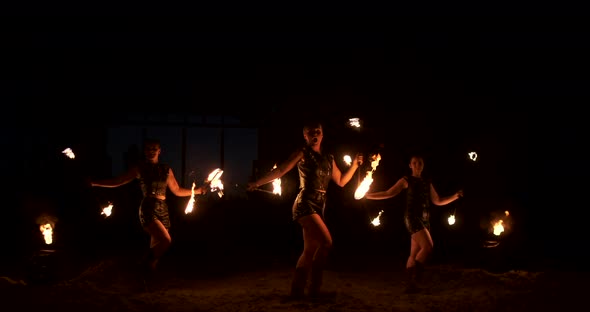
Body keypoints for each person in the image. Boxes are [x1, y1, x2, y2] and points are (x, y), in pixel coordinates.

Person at [247, 120, 363, 300]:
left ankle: (297, 291)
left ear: (323, 134)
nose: (315, 134)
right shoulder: (302, 153)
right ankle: (314, 290)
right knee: (327, 242)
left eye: (317, 131)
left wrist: (354, 165)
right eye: (310, 132)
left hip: (319, 205)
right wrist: (257, 182)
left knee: (309, 250)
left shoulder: (329, 158)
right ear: (305, 136)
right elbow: (281, 170)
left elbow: (340, 181)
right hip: (305, 203)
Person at [91, 138, 208, 273]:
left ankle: (147, 277)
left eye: (154, 149)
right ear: (144, 151)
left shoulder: (166, 169)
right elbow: (119, 181)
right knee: (166, 241)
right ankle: (141, 265)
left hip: (163, 208)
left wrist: (197, 191)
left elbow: (176, 190)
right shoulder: (139, 168)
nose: (151, 152)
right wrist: (95, 183)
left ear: (159, 151)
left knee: (157, 247)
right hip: (148, 207)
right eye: (148, 149)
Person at [364, 154, 463, 292]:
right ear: (410, 165)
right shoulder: (406, 180)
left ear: (423, 165)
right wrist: (368, 195)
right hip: (412, 218)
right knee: (428, 246)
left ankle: (409, 285)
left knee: (414, 253)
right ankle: (415, 282)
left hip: (425, 219)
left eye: (420, 162)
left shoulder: (427, 181)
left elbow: (438, 201)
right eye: (414, 163)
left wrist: (455, 196)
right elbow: (389, 193)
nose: (417, 165)